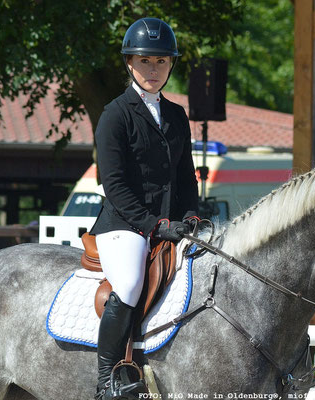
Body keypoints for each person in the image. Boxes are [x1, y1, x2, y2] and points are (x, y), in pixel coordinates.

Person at [89, 17, 199, 400]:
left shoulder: (177, 115)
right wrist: (154, 225)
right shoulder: (114, 115)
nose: (153, 70)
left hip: (168, 224)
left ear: (170, 65)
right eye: (145, 61)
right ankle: (107, 379)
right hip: (124, 224)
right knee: (131, 284)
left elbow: (186, 178)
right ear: (129, 64)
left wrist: (191, 216)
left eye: (161, 62)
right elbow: (114, 185)